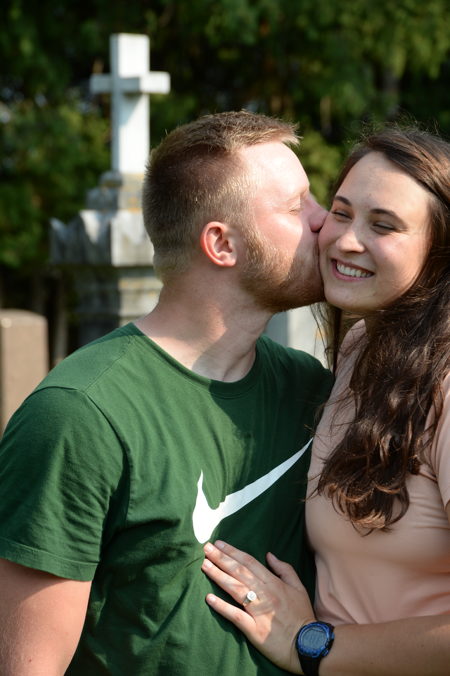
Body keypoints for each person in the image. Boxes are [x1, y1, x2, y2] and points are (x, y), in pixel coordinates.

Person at [0, 110, 333, 675]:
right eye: (296, 205)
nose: (325, 220)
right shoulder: (79, 415)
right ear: (221, 244)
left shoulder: (311, 389)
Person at [201, 125, 450, 675]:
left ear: (440, 250)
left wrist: (311, 645)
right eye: (341, 213)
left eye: (383, 225)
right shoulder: (361, 348)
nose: (346, 241)